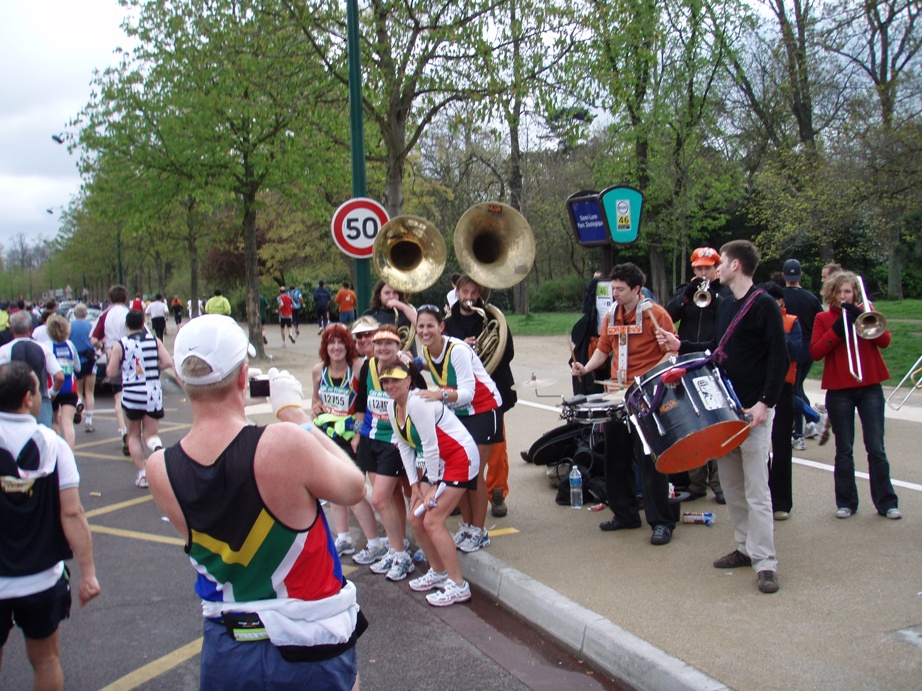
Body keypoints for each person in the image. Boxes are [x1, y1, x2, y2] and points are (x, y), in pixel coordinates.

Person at [145, 316, 367, 689]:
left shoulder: (159, 467)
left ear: (183, 381)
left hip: (228, 643)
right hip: (308, 641)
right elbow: (354, 486)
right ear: (243, 377)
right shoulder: (283, 442)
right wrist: (296, 417)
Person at [658, 240, 788, 593]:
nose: (716, 269)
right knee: (731, 485)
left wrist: (764, 403)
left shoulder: (762, 305)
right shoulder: (728, 302)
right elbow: (719, 348)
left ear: (735, 266)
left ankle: (766, 562)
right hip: (726, 407)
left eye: (722, 262)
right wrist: (680, 346)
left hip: (753, 410)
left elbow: (780, 358)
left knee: (757, 489)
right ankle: (745, 547)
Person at [0, 361, 101, 690]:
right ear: (29, 398)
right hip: (42, 578)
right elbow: (72, 514)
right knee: (45, 659)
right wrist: (88, 574)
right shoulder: (53, 445)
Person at [571, 263, 678, 546]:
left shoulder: (657, 315)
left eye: (620, 289)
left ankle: (662, 522)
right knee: (615, 456)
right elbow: (603, 351)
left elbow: (670, 353)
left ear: (637, 289)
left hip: (646, 395)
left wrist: (647, 381)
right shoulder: (611, 316)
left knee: (649, 461)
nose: (614, 293)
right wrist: (585, 368)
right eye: (613, 288)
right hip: (618, 395)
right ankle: (625, 513)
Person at [380, 361, 479, 606]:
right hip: (442, 463)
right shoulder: (394, 407)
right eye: (386, 381)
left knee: (432, 520)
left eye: (396, 380)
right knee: (415, 517)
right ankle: (438, 571)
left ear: (409, 380)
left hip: (460, 458)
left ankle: (458, 585)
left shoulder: (417, 402)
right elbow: (405, 446)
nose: (390, 385)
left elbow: (430, 445)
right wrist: (415, 485)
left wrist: (432, 484)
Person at [809, 271, 901, 521]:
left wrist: (863, 318)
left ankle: (887, 502)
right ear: (831, 294)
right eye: (838, 293)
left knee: (876, 447)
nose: (843, 296)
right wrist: (838, 329)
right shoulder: (823, 318)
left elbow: (885, 342)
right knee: (844, 449)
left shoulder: (867, 315)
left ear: (855, 293)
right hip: (839, 390)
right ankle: (847, 502)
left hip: (870, 386)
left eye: (847, 292)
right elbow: (816, 352)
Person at [416, 303, 502, 552]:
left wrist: (438, 394)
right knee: (459, 473)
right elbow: (425, 364)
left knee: (474, 473)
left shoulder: (457, 350)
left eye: (430, 325)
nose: (425, 330)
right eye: (421, 326)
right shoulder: (427, 349)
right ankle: (467, 526)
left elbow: (467, 393)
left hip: (484, 410)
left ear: (441, 326)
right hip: (461, 415)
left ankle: (480, 530)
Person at [352, 326, 426, 580]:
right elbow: (362, 401)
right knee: (392, 496)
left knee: (380, 499)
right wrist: (357, 433)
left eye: (389, 344)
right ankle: (399, 546)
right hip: (371, 437)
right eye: (378, 343)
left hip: (396, 441)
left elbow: (423, 397)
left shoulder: (407, 367)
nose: (383, 348)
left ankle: (402, 555)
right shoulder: (368, 366)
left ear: (398, 346)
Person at [442, 276, 516, 519]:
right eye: (466, 291)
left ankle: (496, 493)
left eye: (475, 292)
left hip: (491, 393)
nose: (470, 297)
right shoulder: (448, 323)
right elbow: (440, 357)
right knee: (459, 448)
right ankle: (459, 495)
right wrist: (461, 349)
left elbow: (508, 351)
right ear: (458, 292)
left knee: (496, 449)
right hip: (459, 397)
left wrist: (476, 358)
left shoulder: (494, 318)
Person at [310, 324, 381, 560]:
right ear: (325, 346)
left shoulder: (358, 368)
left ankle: (374, 542)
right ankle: (343, 538)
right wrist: (316, 407)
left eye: (341, 342)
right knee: (333, 489)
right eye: (331, 342)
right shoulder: (318, 371)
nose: (336, 347)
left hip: (351, 436)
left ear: (348, 345)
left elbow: (365, 405)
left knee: (354, 491)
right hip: (327, 435)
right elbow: (314, 400)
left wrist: (359, 434)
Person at [665, 247, 725, 505]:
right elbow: (668, 316)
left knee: (717, 419)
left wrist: (715, 297)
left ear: (716, 269)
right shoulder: (684, 291)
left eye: (707, 269)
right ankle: (696, 482)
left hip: (715, 360)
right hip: (688, 361)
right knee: (693, 419)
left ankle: (720, 485)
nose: (703, 273)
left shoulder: (725, 292)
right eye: (699, 269)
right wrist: (685, 299)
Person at [106, 310, 173, 489]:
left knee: (134, 435)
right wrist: (153, 367)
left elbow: (111, 372)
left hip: (132, 393)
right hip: (152, 392)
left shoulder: (120, 345)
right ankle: (158, 450)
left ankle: (143, 474)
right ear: (144, 323)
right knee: (151, 434)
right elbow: (168, 362)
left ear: (126, 325)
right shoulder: (154, 342)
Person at [761, 282, 802, 521]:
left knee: (781, 445)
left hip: (784, 388)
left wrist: (777, 335)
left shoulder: (792, 322)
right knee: (759, 449)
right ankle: (762, 497)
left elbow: (799, 351)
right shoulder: (754, 322)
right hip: (759, 387)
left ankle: (782, 502)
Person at [782, 259, 822, 450]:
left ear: (784, 276)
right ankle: (810, 423)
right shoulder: (811, 298)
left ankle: (800, 432)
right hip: (809, 349)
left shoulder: (781, 297)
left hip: (791, 349)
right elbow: (820, 322)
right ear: (801, 275)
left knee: (793, 390)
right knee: (798, 387)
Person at [0, 311, 63, 428]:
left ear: (11, 329)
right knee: (43, 440)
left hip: (14, 404)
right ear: (30, 327)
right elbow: (59, 376)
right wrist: (52, 393)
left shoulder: (4, 350)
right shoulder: (43, 348)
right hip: (41, 401)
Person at [92, 284, 131, 454]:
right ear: (125, 298)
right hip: (130, 353)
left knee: (118, 395)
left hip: (112, 354)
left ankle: (123, 430)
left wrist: (103, 347)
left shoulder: (104, 315)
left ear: (109, 299)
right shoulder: (129, 314)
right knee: (132, 393)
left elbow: (93, 339)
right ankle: (132, 431)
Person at [45, 316, 80, 451]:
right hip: (69, 387)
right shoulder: (70, 345)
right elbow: (78, 367)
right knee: (68, 423)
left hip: (52, 388)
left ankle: (55, 453)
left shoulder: (47, 346)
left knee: (55, 422)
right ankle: (69, 453)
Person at [361, 280, 418, 354]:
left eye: (395, 293)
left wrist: (402, 306)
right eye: (387, 293)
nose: (391, 296)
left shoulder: (408, 311)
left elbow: (422, 324)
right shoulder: (369, 314)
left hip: (407, 360)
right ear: (379, 296)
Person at [69, 304, 97, 433]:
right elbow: (96, 341)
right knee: (90, 391)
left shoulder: (70, 327)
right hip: (90, 359)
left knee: (78, 389)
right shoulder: (91, 326)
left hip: (76, 360)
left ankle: (79, 402)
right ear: (86, 314)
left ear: (74, 314)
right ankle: (89, 420)